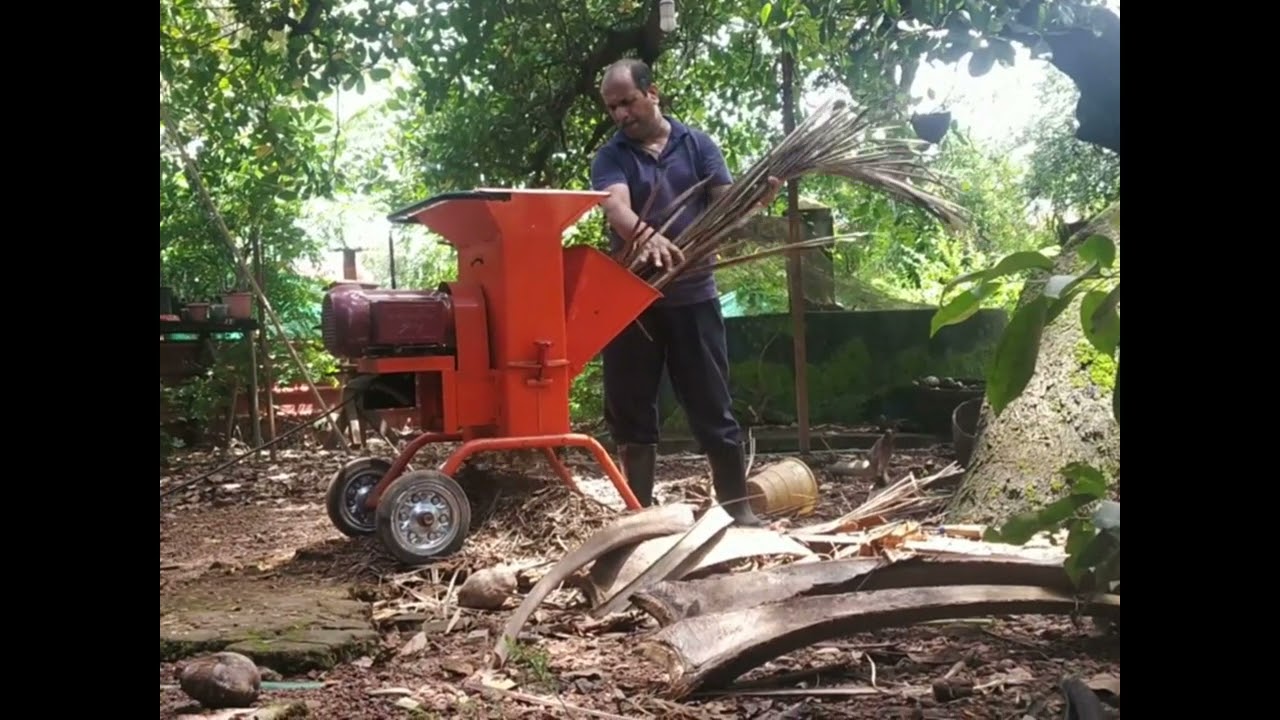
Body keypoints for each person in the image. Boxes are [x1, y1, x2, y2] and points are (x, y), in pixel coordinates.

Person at [589, 58, 781, 527]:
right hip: (631, 300)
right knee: (630, 408)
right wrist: (644, 236)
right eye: (612, 107)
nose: (620, 115)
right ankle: (638, 516)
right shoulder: (610, 156)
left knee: (711, 403)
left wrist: (753, 205)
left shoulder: (698, 145)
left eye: (627, 102)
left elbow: (726, 207)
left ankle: (738, 510)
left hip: (694, 294)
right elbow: (615, 205)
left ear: (652, 93)